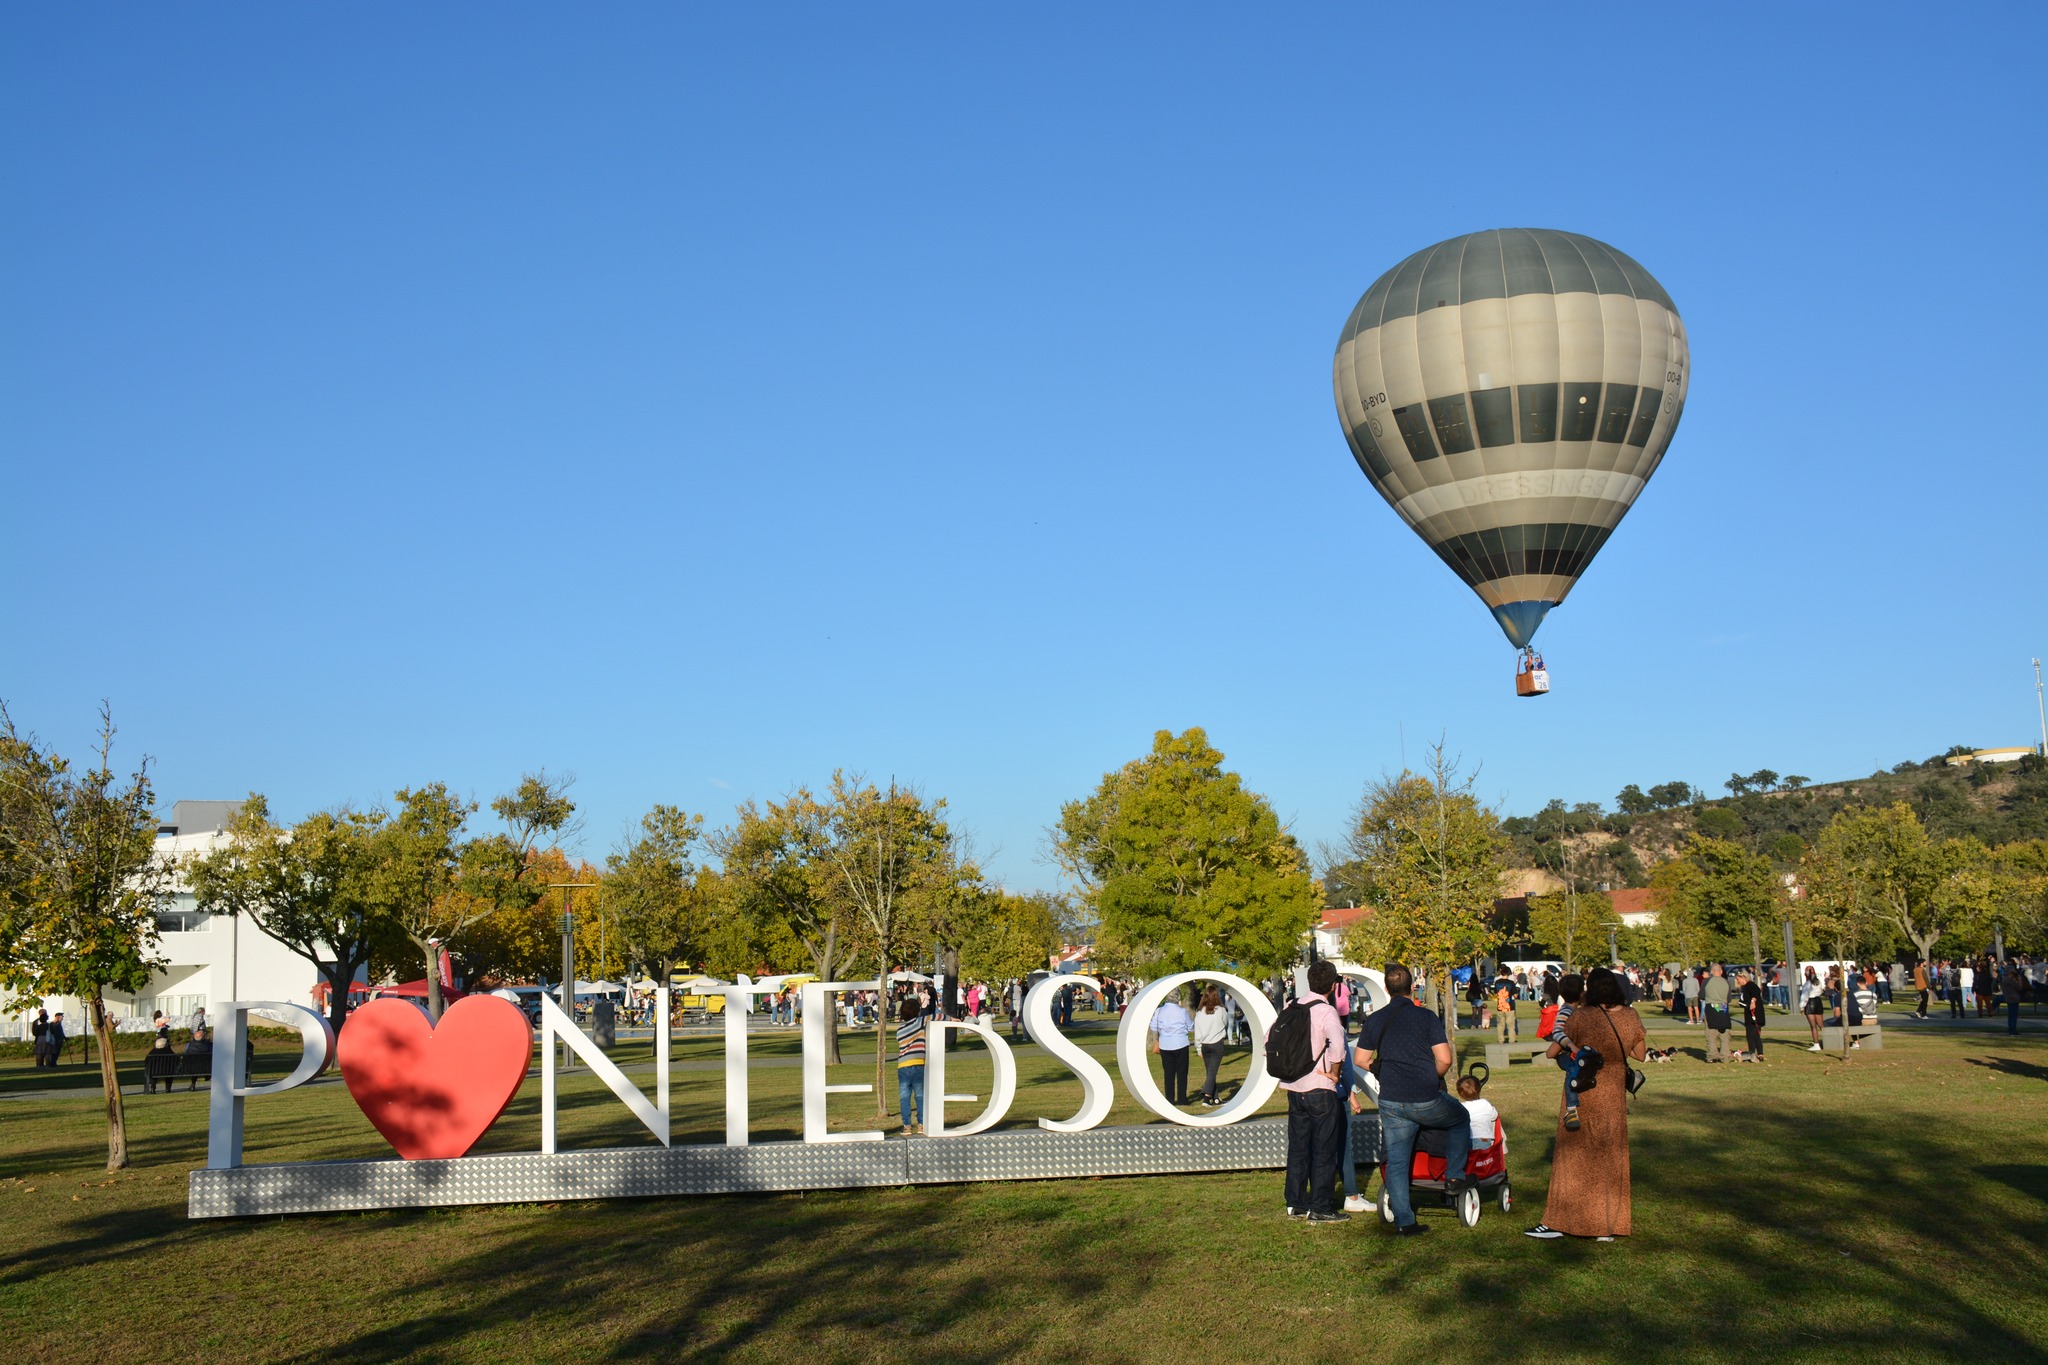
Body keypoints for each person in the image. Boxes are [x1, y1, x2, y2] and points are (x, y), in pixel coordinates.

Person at [1527, 968, 1646, 1241]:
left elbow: (1552, 1051)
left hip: (1584, 1088)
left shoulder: (1582, 1016)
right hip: (1614, 1090)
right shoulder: (1630, 1015)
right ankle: (1607, 1224)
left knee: (1574, 1154)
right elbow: (1639, 1054)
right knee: (1610, 1152)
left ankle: (1560, 1221)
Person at [1355, 962, 1469, 1236]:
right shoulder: (1426, 1017)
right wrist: (1432, 1075)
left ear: (1386, 988)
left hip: (1392, 1100)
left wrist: (1379, 1068)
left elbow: (1360, 1059)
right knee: (1459, 1118)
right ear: (1412, 987)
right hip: (1425, 1097)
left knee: (1396, 1160)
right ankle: (1454, 1176)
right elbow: (1445, 1059)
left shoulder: (1375, 1019)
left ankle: (1405, 1220)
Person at [1276, 960, 1349, 1224]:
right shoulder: (1326, 1011)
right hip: (1320, 1087)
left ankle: (1295, 1202)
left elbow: (1269, 1039)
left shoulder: (1291, 1006)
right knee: (1324, 1149)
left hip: (1294, 1087)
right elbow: (1338, 1046)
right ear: (1332, 985)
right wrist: (1335, 1072)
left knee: (1298, 1148)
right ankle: (1320, 1206)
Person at [1543, 974, 1585, 1129]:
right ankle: (1571, 1109)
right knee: (1572, 1069)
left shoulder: (1578, 1011)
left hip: (1576, 1052)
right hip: (1566, 1054)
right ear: (1581, 993)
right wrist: (1573, 1047)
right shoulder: (1565, 1011)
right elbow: (1558, 1033)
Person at [1150, 988, 1194, 1105]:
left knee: (1168, 1073)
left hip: (1165, 1044)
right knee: (1182, 1073)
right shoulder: (1182, 1011)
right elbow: (1190, 1027)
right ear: (1178, 997)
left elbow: (1153, 1027)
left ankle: (1169, 1099)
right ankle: (1182, 1099)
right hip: (1181, 1043)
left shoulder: (1159, 1011)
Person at [894, 998, 926, 1137]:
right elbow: (937, 1016)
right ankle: (922, 1124)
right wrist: (952, 1019)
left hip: (903, 1065)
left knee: (904, 1097)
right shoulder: (920, 1022)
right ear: (917, 1011)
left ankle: (907, 1126)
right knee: (920, 1096)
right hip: (918, 1063)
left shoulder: (900, 1029)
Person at [1192, 986, 1229, 1106]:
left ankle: (1216, 1098)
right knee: (1212, 1073)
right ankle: (1206, 1098)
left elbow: (1197, 1031)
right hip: (1217, 1044)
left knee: (1210, 1072)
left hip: (1205, 1045)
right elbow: (1225, 1023)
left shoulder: (1199, 1013)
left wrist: (1198, 1048)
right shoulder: (1221, 1010)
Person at [1455, 1073, 1498, 1151]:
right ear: (1479, 1089)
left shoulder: (1461, 1107)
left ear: (1460, 1094)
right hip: (1483, 1138)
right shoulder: (1485, 1103)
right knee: (1482, 1161)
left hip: (1465, 1139)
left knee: (1468, 1160)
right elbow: (1494, 1116)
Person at [1702, 964, 1733, 1063]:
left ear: (1711, 971)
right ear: (1721, 971)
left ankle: (1712, 1055)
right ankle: (1725, 1055)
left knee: (1711, 1033)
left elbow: (1701, 995)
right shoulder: (1726, 982)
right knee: (1724, 1032)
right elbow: (1729, 999)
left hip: (1711, 1007)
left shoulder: (1706, 981)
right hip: (1723, 1007)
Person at [1737, 968, 1765, 1062]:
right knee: (1754, 1035)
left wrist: (1753, 1000)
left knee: (1752, 1035)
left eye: (1738, 979)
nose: (1737, 981)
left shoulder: (1750, 985)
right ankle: (1756, 1053)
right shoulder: (1744, 988)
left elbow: (1756, 992)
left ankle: (1754, 1054)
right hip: (1749, 1013)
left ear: (1743, 978)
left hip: (1755, 1014)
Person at [1801, 966, 1826, 1049]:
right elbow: (1821, 991)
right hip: (1818, 1001)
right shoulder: (1818, 982)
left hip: (1810, 1002)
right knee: (1821, 1025)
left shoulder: (1807, 984)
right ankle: (1828, 1041)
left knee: (1813, 1026)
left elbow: (1804, 996)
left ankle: (1816, 1044)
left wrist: (1801, 1007)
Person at [2000, 961, 2026, 1036]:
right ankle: (2013, 1030)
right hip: (2014, 998)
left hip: (2008, 997)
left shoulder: (2004, 979)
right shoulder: (2010, 980)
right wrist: (2020, 980)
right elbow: (2019, 988)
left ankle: (2011, 1030)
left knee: (2011, 1015)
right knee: (2014, 1016)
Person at [1493, 973, 1517, 1044]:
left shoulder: (1497, 982)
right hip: (1509, 1006)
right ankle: (1511, 1040)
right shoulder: (1511, 983)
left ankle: (1501, 1040)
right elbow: (1515, 995)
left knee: (1500, 1025)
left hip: (1500, 1006)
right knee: (1510, 1025)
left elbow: (1495, 993)